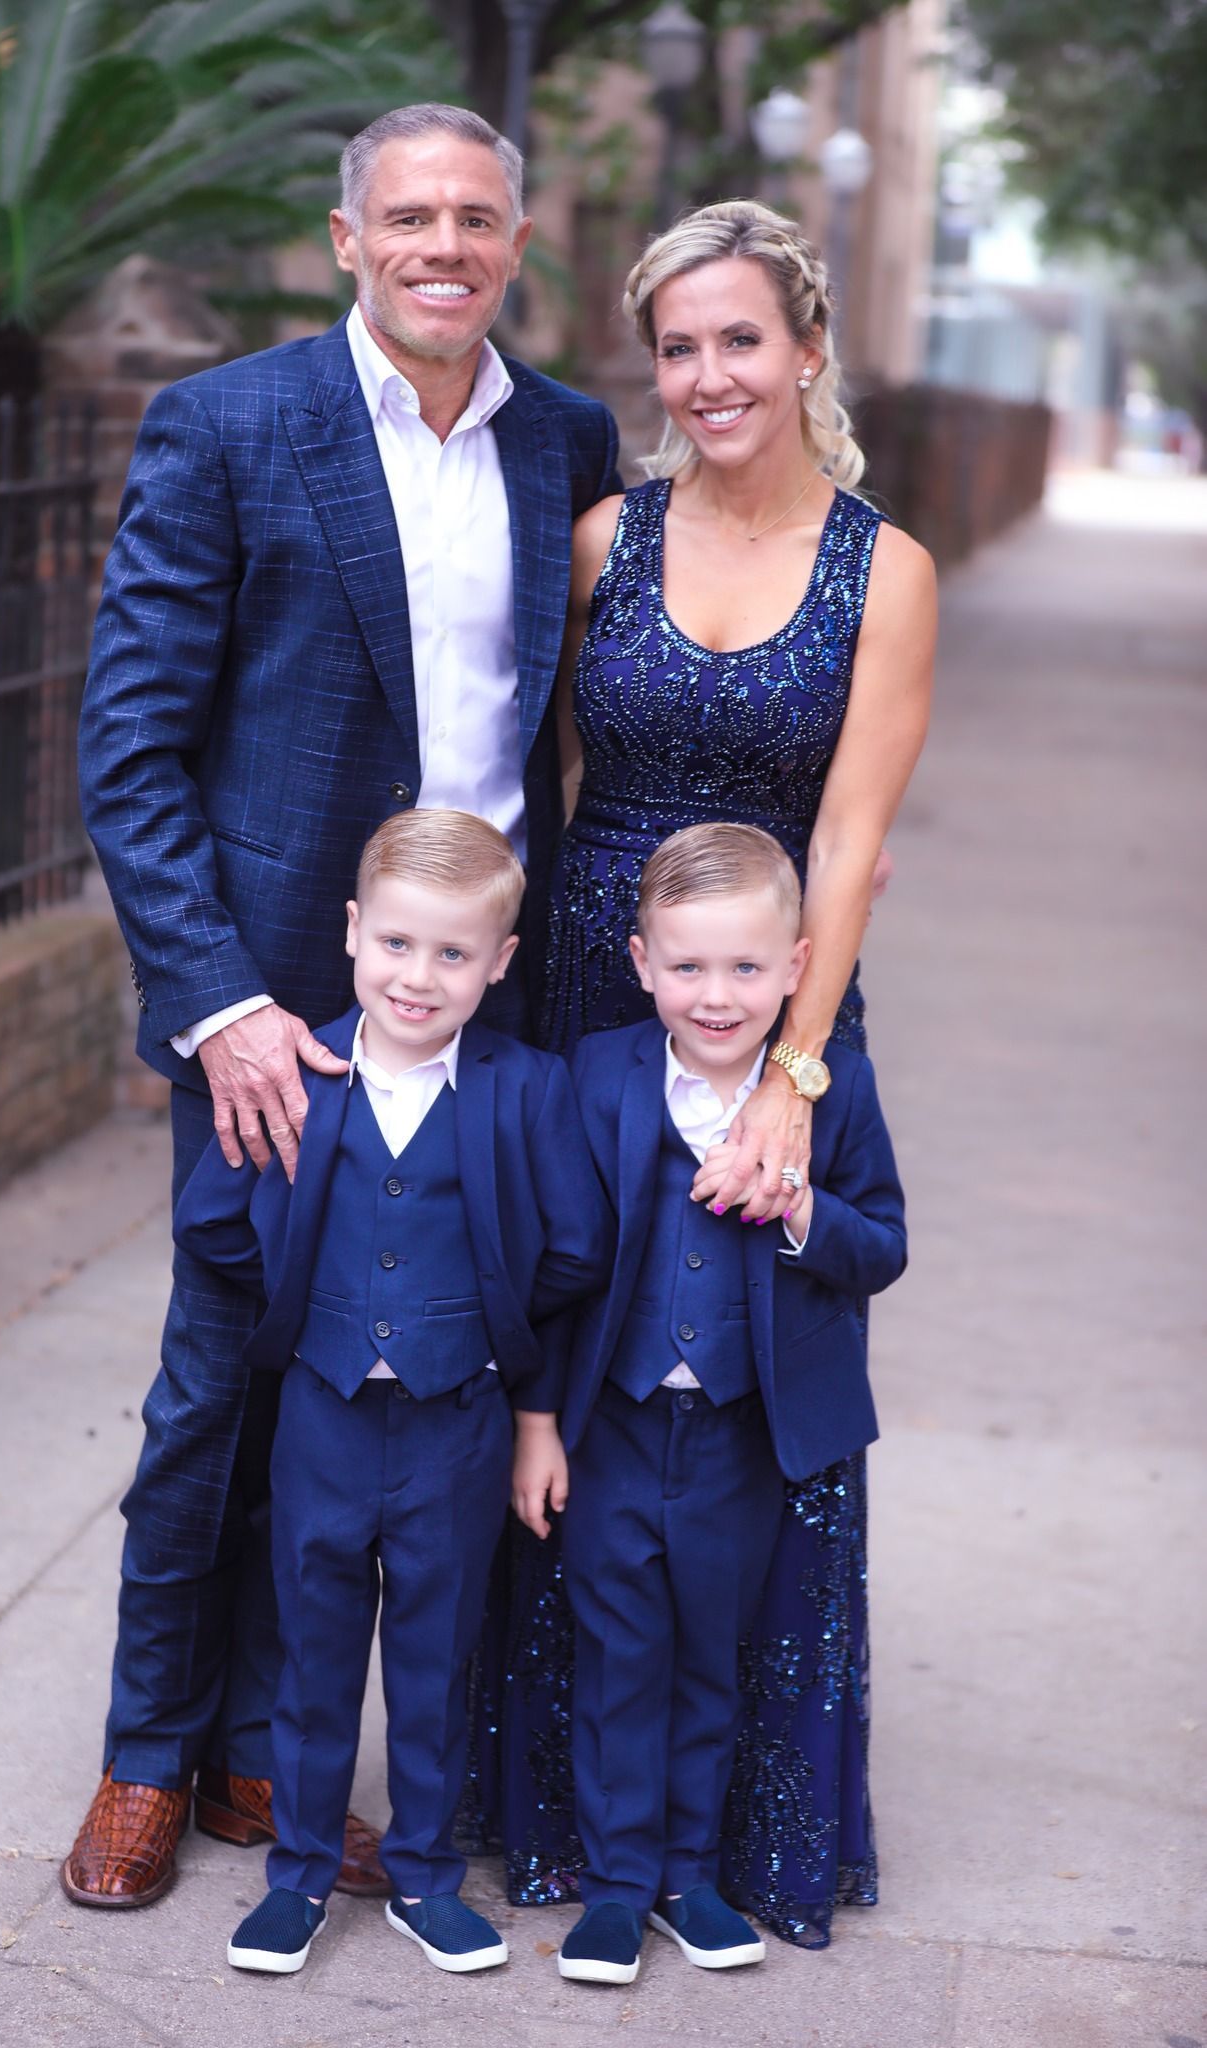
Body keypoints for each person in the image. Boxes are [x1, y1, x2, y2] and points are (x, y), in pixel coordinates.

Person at [68, 103, 621, 1908]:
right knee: (220, 1390)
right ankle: (155, 1757)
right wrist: (217, 1002)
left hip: (494, 1025)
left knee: (421, 1401)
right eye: (408, 216)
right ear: (345, 236)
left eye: (475, 216)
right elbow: (133, 746)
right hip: (283, 1016)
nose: (441, 245)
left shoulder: (570, 442)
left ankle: (273, 1758)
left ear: (517, 244)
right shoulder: (231, 424)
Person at [480, 199, 933, 1946]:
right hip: (599, 979)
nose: (710, 373)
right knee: (581, 1367)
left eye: (742, 337)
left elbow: (853, 830)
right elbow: (552, 763)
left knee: (753, 1380)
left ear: (807, 349)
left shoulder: (884, 570)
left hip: (778, 993)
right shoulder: (607, 534)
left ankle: (755, 1830)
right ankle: (561, 1820)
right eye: (678, 345)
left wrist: (794, 1071)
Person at [173, 810, 613, 1976]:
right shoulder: (301, 1072)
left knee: (436, 1655)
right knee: (314, 1659)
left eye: (455, 952)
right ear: (355, 931)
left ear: (500, 961)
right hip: (321, 1417)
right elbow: (214, 1222)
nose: (421, 975)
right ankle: (301, 1873)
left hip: (456, 1426)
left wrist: (493, 1342)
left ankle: (422, 1873)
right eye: (400, 944)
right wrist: (304, 1300)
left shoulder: (529, 1090)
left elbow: (572, 1244)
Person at [533, 822, 905, 1985]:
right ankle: (614, 1884)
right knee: (617, 1654)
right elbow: (549, 1269)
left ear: (799, 965)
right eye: (688, 966)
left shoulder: (828, 1096)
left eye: (747, 967)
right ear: (640, 962)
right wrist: (536, 1421)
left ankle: (690, 1873)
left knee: (708, 1658)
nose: (716, 993)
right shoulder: (592, 1076)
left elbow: (882, 1243)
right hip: (616, 1424)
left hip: (745, 1439)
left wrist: (799, 1209)